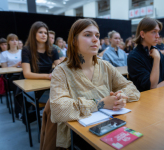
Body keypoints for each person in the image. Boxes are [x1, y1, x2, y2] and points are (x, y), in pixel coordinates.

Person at [48, 18, 140, 149]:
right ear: (74, 41)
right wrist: (100, 103)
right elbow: (58, 110)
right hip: (78, 134)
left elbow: (131, 88)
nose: (96, 39)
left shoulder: (105, 66)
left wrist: (119, 97)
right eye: (87, 35)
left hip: (110, 125)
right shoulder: (61, 71)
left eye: (97, 35)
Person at [127, 17, 164, 92]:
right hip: (144, 101)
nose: (158, 36)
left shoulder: (157, 52)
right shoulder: (134, 57)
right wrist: (157, 59)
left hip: (160, 96)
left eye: (158, 32)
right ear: (142, 34)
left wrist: (155, 89)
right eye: (154, 32)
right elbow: (151, 85)